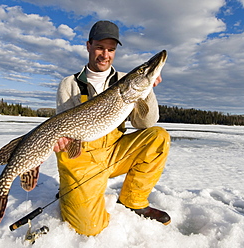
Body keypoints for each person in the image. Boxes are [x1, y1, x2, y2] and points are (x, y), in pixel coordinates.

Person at [53, 20, 171, 236]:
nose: (105, 55)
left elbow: (145, 124)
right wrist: (62, 140)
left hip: (114, 153)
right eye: (99, 47)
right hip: (82, 160)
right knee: (88, 228)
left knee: (158, 137)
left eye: (111, 50)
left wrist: (148, 88)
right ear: (89, 46)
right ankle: (74, 191)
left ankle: (133, 200)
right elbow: (63, 128)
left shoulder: (126, 80)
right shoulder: (69, 84)